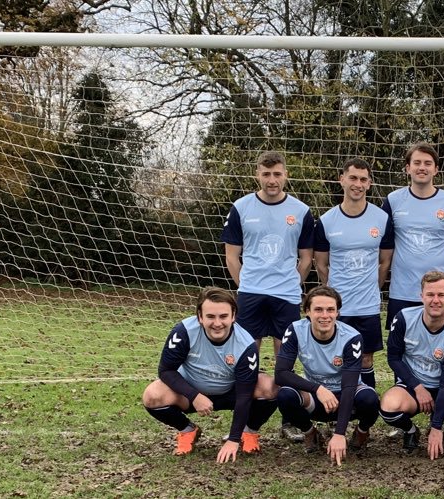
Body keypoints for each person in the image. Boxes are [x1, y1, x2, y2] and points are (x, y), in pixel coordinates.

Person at [140, 288, 279, 462]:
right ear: (200, 316)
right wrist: (194, 395)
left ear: (233, 316)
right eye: (210, 317)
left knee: (270, 387)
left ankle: (248, 432)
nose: (217, 323)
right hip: (189, 393)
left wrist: (233, 439)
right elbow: (166, 371)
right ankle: (187, 430)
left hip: (231, 393)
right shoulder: (183, 332)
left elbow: (244, 395)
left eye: (223, 316)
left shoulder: (246, 344)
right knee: (152, 395)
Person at [222, 151, 314, 358]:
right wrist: (246, 284)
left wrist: (291, 283)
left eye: (277, 174)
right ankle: (248, 390)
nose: (272, 180)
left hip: (286, 294)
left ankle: (284, 390)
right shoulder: (240, 207)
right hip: (251, 292)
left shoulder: (301, 211)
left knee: (285, 355)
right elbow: (231, 256)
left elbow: (307, 258)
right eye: (266, 174)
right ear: (257, 175)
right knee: (248, 354)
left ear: (286, 175)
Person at [379, 271, 444, 459]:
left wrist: (437, 428)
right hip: (412, 387)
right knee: (388, 406)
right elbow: (393, 358)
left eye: (441, 295)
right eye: (430, 294)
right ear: (421, 296)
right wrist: (417, 387)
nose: (435, 300)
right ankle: (410, 431)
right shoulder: (403, 318)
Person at [274, 286, 378, 465]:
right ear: (307, 312)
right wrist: (318, 389)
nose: (325, 315)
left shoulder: (351, 338)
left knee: (370, 399)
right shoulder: (295, 331)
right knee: (285, 395)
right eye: (318, 309)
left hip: (347, 397)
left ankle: (361, 432)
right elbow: (281, 374)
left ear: (337, 312)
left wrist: (339, 434)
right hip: (317, 397)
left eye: (330, 310)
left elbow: (349, 386)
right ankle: (310, 433)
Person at [314, 158, 393, 390]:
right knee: (337, 357)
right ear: (342, 180)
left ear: (369, 183)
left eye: (363, 179)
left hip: (367, 305)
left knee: (366, 359)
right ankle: (334, 403)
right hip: (338, 307)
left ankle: (364, 409)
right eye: (353, 178)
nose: (357, 184)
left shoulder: (382, 219)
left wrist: (371, 288)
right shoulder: (327, 221)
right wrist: (332, 296)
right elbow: (321, 266)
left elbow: (385, 262)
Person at [383, 142, 444, 334]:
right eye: (417, 162)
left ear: (436, 169)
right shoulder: (393, 200)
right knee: (399, 350)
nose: (422, 167)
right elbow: (385, 250)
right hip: (402, 291)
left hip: (437, 295)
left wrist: (438, 274)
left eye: (428, 163)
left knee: (438, 348)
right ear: (408, 168)